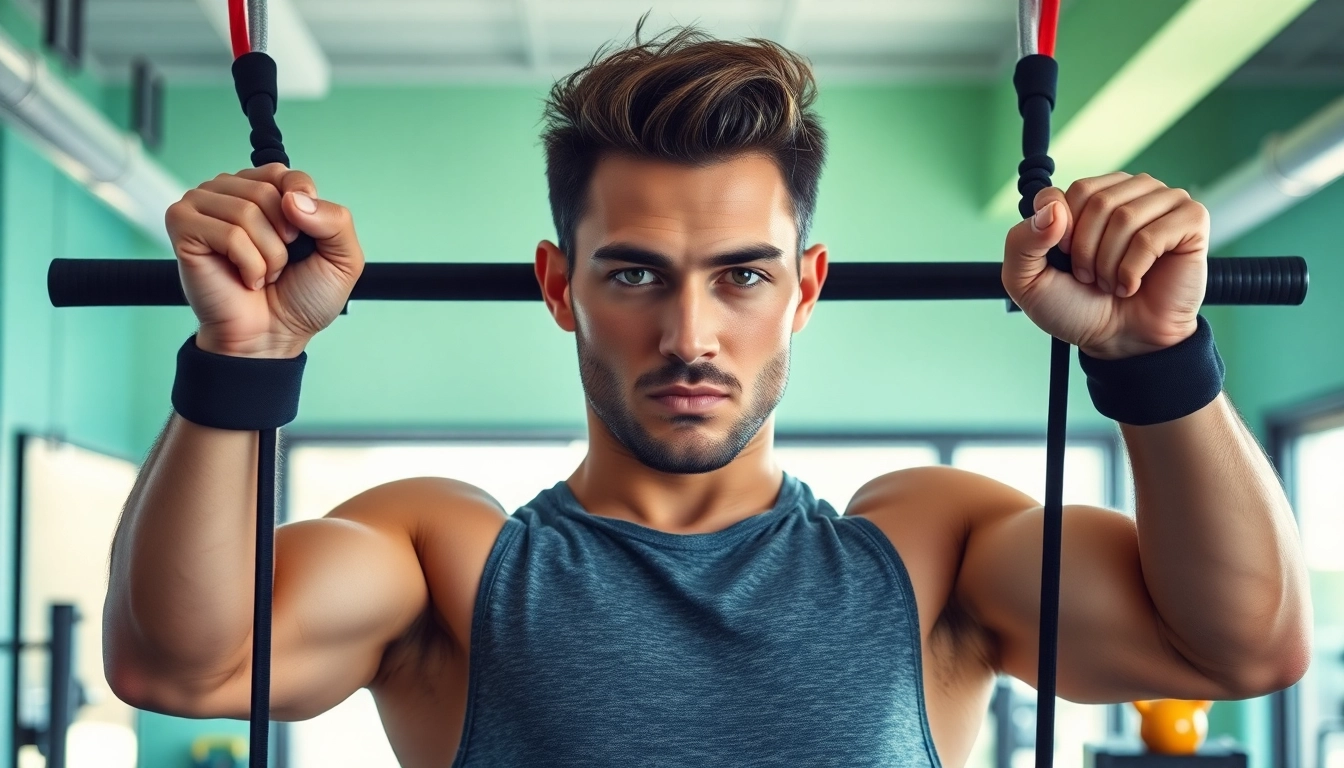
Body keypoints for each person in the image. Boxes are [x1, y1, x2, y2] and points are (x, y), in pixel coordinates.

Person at [104, 27, 1311, 768]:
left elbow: (1243, 647)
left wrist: (1156, 359)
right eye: (634, 272)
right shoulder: (448, 559)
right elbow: (182, 667)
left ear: (806, 289)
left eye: (743, 275)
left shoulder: (928, 549)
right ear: (559, 285)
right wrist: (243, 360)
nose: (690, 334)